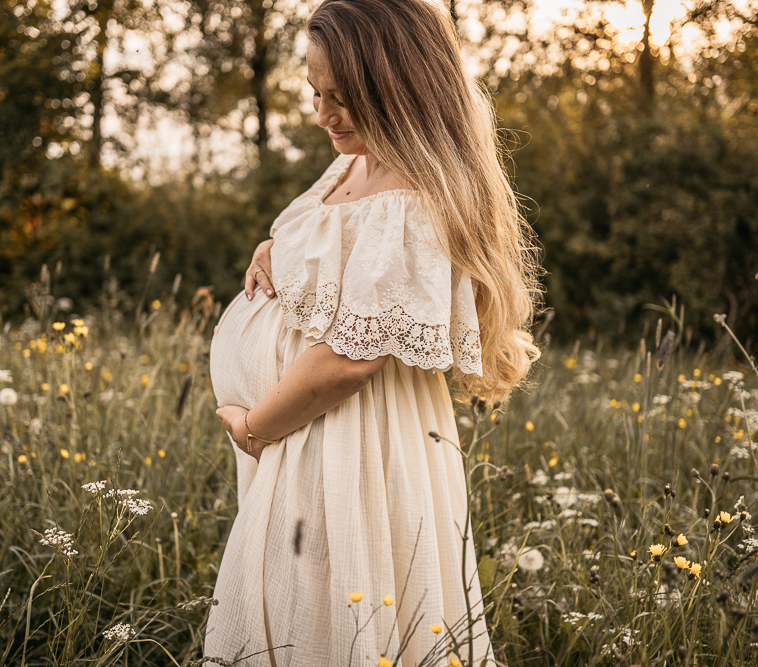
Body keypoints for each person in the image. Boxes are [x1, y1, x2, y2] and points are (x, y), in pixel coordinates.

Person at [206, 0, 540, 664]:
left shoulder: (413, 199)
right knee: (306, 604)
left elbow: (347, 363)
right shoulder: (356, 161)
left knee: (339, 609)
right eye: (315, 92)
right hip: (307, 434)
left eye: (344, 98)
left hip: (345, 440)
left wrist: (256, 427)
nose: (324, 114)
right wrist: (273, 249)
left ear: (401, 89)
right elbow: (333, 256)